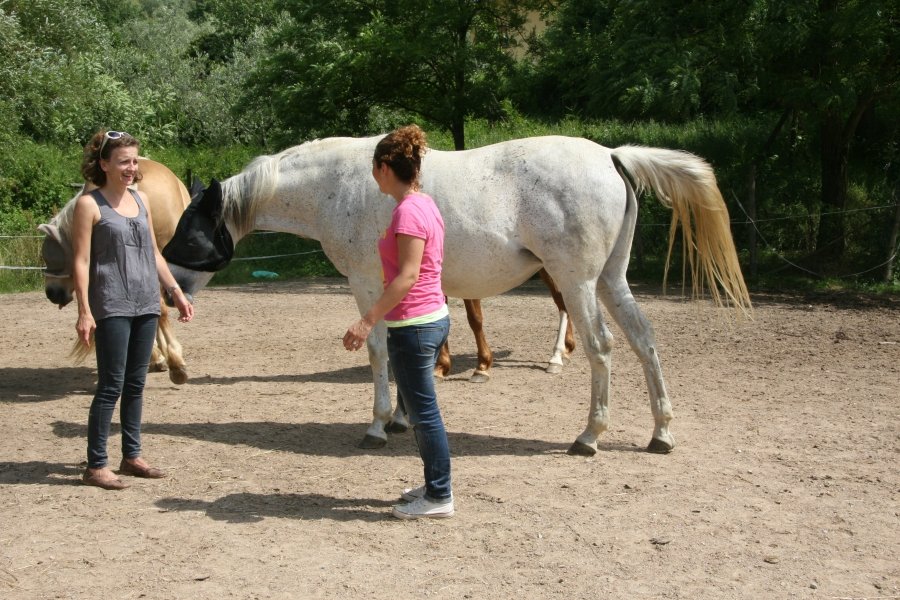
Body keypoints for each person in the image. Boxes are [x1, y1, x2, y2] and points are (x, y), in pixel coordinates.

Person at [72, 130, 194, 490]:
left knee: (136, 383)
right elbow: (79, 260)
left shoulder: (140, 200)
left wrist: (175, 290)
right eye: (124, 161)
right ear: (104, 163)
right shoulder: (89, 205)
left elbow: (154, 253)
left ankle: (131, 455)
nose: (131, 167)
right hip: (111, 303)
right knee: (111, 384)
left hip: (145, 302)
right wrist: (83, 310)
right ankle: (96, 465)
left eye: (135, 160)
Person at [343, 124, 453, 519]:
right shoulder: (425, 203)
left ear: (385, 167)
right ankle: (434, 484)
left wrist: (366, 321)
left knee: (425, 416)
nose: (373, 175)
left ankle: (440, 495)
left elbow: (407, 276)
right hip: (431, 317)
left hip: (415, 325)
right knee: (423, 413)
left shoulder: (408, 211)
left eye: (375, 168)